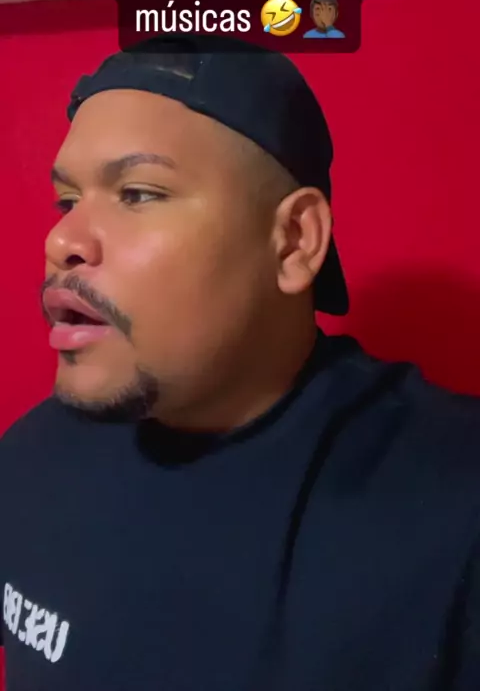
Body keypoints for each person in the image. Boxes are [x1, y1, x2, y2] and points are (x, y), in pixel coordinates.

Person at [1, 34, 480, 691]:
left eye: (138, 193)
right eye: (67, 200)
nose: (62, 240)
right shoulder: (28, 460)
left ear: (293, 242)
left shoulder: (453, 509)